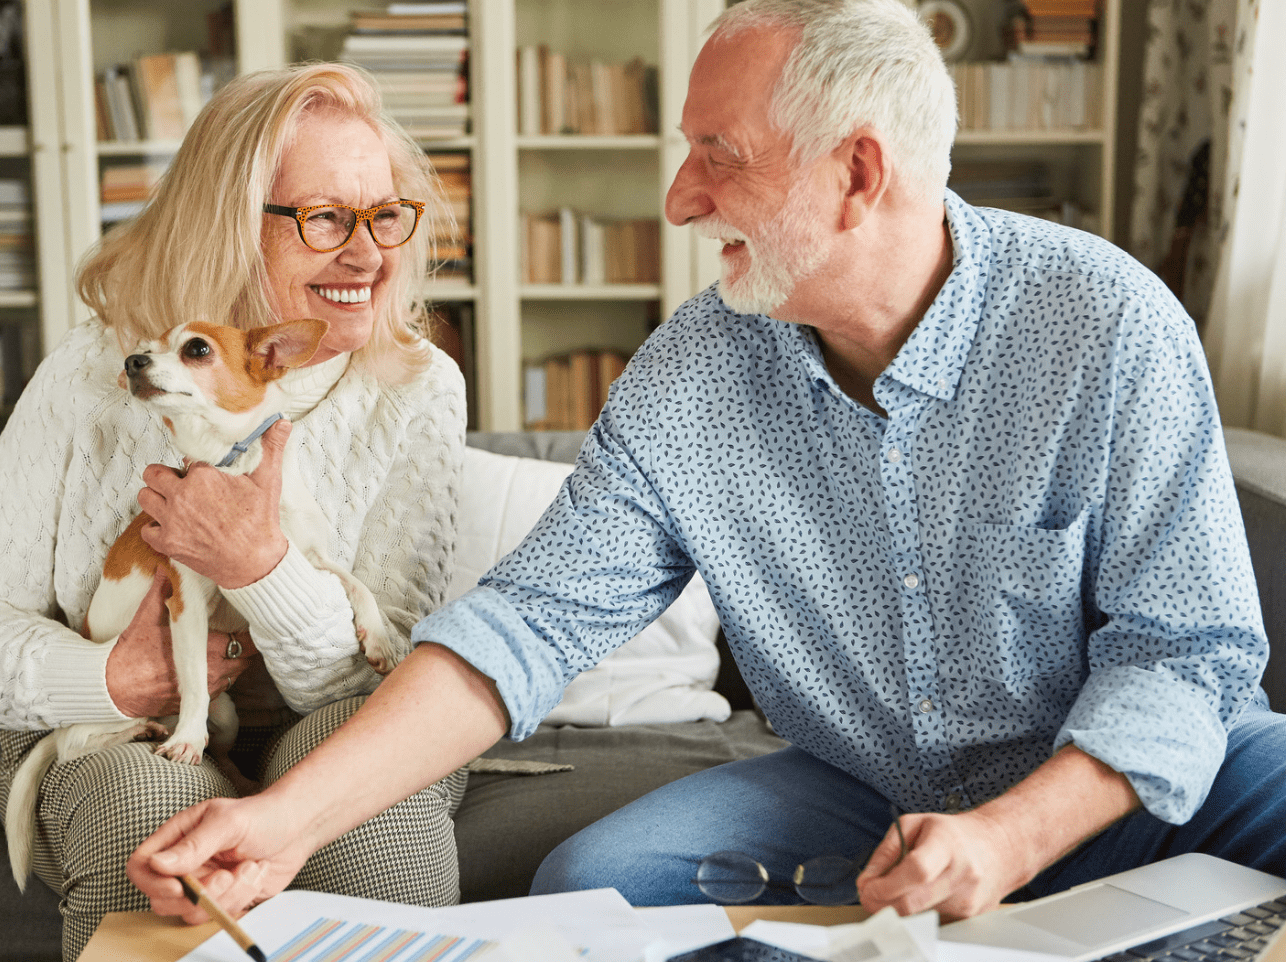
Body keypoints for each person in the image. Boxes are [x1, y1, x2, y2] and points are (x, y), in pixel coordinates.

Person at [127, 0, 1286, 927]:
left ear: (858, 171)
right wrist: (280, 821)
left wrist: (1012, 836)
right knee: (593, 885)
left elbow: (1189, 653)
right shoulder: (695, 374)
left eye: (717, 157)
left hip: (1123, 778)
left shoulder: (1107, 322)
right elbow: (526, 626)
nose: (680, 198)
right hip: (872, 786)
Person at [0, 62, 468, 960]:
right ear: (231, 224)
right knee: (144, 808)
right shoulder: (97, 373)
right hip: (116, 727)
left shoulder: (418, 387)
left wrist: (263, 570)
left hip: (326, 717)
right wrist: (112, 682)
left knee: (377, 813)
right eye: (326, 218)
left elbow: (398, 683)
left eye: (386, 213)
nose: (369, 254)